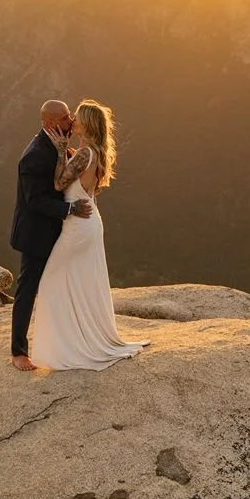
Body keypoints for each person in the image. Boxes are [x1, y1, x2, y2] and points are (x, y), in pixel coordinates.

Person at [29, 99, 149, 371]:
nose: (73, 121)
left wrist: (61, 151)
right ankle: (80, 338)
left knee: (51, 279)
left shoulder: (84, 153)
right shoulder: (94, 151)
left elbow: (59, 183)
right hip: (89, 221)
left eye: (78, 118)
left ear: (88, 124)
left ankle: (73, 345)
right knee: (81, 281)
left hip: (79, 224)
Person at [8, 98, 94, 372]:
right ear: (49, 123)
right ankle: (18, 352)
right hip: (36, 235)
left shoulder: (60, 147)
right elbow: (35, 201)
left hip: (61, 231)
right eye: (66, 118)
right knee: (28, 290)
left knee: (63, 286)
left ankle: (69, 342)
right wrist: (69, 208)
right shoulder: (34, 156)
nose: (71, 122)